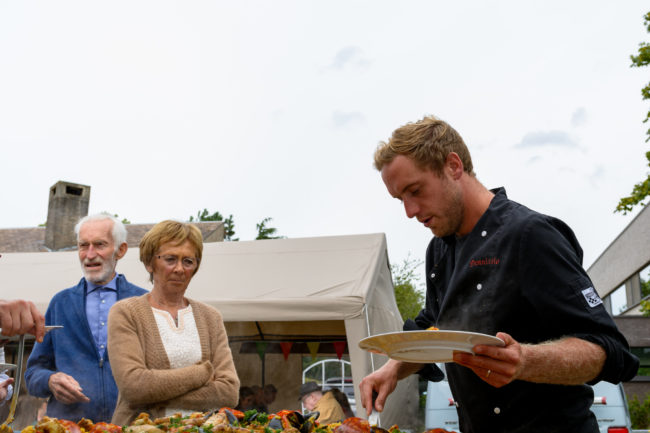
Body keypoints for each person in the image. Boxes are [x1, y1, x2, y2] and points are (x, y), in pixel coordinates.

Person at [359, 115, 639, 433]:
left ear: (453, 166)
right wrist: (394, 367)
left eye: (415, 190)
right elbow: (435, 327)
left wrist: (527, 361)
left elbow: (607, 348)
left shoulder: (530, 235)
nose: (409, 211)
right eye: (401, 199)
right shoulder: (439, 250)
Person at [107, 220, 240, 425]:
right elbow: (134, 387)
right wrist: (202, 372)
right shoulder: (126, 313)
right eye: (170, 259)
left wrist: (156, 394)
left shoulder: (211, 317)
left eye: (188, 261)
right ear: (149, 263)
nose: (179, 268)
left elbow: (229, 392)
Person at [25, 213, 147, 422]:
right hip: (69, 427)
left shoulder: (143, 303)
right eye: (83, 245)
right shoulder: (60, 303)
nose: (90, 254)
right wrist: (50, 380)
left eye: (99, 244)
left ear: (121, 250)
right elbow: (32, 374)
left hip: (131, 426)